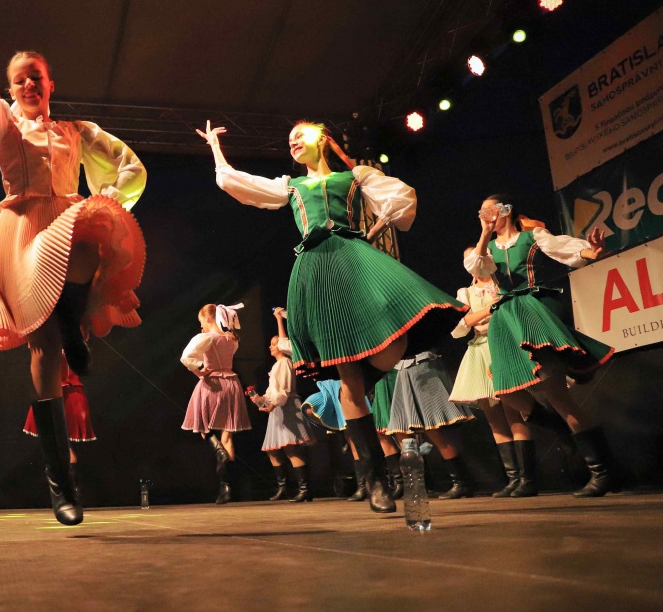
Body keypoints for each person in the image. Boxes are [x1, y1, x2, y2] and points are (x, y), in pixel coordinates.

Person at [0, 0, 147, 525]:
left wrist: (111, 193)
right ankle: (61, 486)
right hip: (19, 233)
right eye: (20, 80)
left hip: (67, 225)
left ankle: (73, 320)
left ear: (51, 84)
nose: (29, 85)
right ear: (10, 90)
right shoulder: (5, 127)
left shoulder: (77, 131)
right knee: (45, 350)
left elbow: (128, 164)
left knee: (93, 221)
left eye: (37, 78)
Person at [198, 120, 466, 513]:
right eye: (289, 139)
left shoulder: (354, 178)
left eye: (300, 135)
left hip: (354, 259)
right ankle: (376, 483)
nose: (293, 142)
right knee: (349, 384)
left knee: (391, 342)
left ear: (321, 139)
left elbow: (401, 201)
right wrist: (215, 148)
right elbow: (236, 182)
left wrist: (372, 220)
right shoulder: (291, 186)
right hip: (316, 269)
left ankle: (371, 376)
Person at [466, 194, 616, 497]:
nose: (483, 214)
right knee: (504, 389)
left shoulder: (531, 237)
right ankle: (560, 429)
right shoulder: (488, 248)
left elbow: (565, 249)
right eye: (480, 211)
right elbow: (478, 269)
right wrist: (484, 233)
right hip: (505, 318)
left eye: (488, 209)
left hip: (532, 312)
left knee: (556, 393)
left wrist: (591, 252)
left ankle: (603, 471)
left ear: (506, 210)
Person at [450, 248, 536, 498]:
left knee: (513, 411)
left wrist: (478, 317)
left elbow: (508, 311)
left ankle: (527, 479)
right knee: (493, 417)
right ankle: (513, 478)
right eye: (469, 258)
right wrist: (489, 310)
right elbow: (460, 326)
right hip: (479, 351)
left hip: (502, 345)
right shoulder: (465, 293)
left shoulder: (502, 285)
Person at [181, 303, 252, 504]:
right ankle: (227, 488)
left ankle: (219, 453)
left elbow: (186, 357)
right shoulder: (231, 339)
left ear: (209, 318)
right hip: (231, 384)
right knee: (227, 436)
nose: (201, 325)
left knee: (204, 427)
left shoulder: (206, 337)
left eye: (201, 321)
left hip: (212, 383)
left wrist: (198, 370)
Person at [385, 351, 476, 499]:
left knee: (432, 428)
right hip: (404, 368)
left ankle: (461, 482)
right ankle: (415, 483)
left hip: (421, 366)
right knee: (403, 428)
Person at [247, 308, 315, 502]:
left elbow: (283, 391)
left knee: (291, 447)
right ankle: (283, 487)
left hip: (286, 407)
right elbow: (273, 391)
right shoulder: (277, 365)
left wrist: (272, 404)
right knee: (273, 449)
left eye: (274, 344)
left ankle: (304, 488)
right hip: (278, 408)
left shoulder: (285, 362)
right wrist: (261, 399)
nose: (271, 347)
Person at [23, 355, 95, 500]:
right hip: (57, 394)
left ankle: (68, 492)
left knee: (64, 447)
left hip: (65, 394)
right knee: (61, 446)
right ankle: (68, 491)